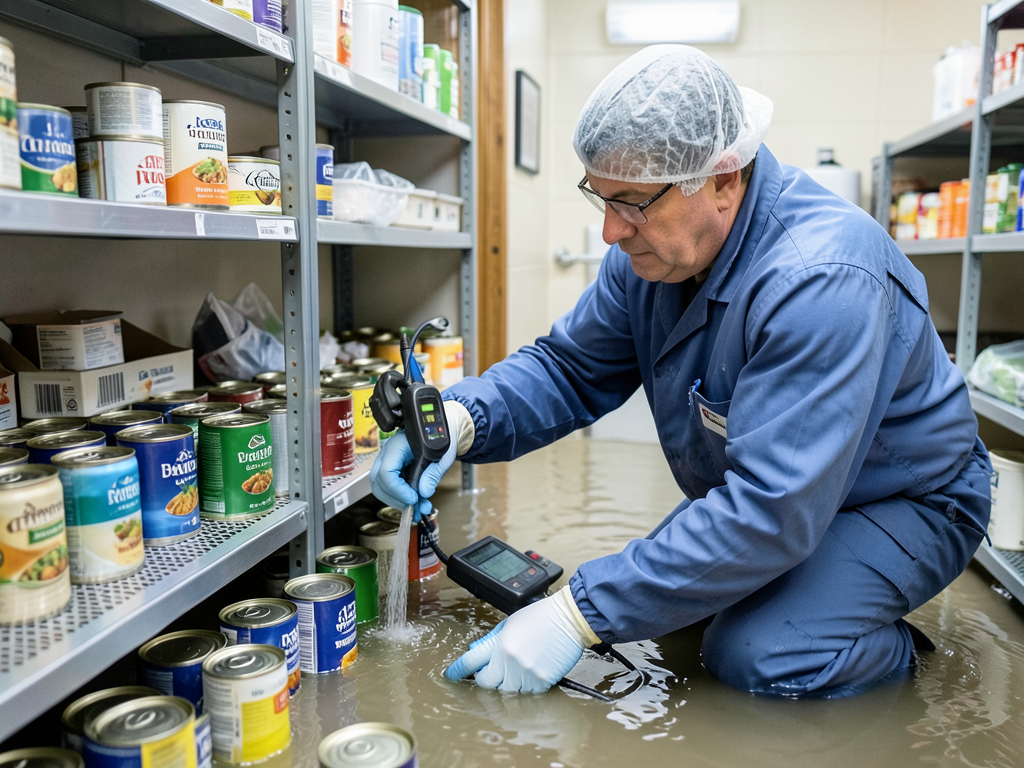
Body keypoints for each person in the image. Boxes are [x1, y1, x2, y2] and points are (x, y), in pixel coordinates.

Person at [370, 45, 992, 698]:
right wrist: (465, 417)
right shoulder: (652, 256)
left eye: (633, 202)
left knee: (758, 654)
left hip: (904, 497)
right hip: (784, 489)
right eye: (600, 197)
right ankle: (811, 602)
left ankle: (896, 658)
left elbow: (770, 510)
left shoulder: (821, 277)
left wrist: (571, 615)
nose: (611, 230)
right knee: (670, 618)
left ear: (724, 178)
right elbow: (568, 368)